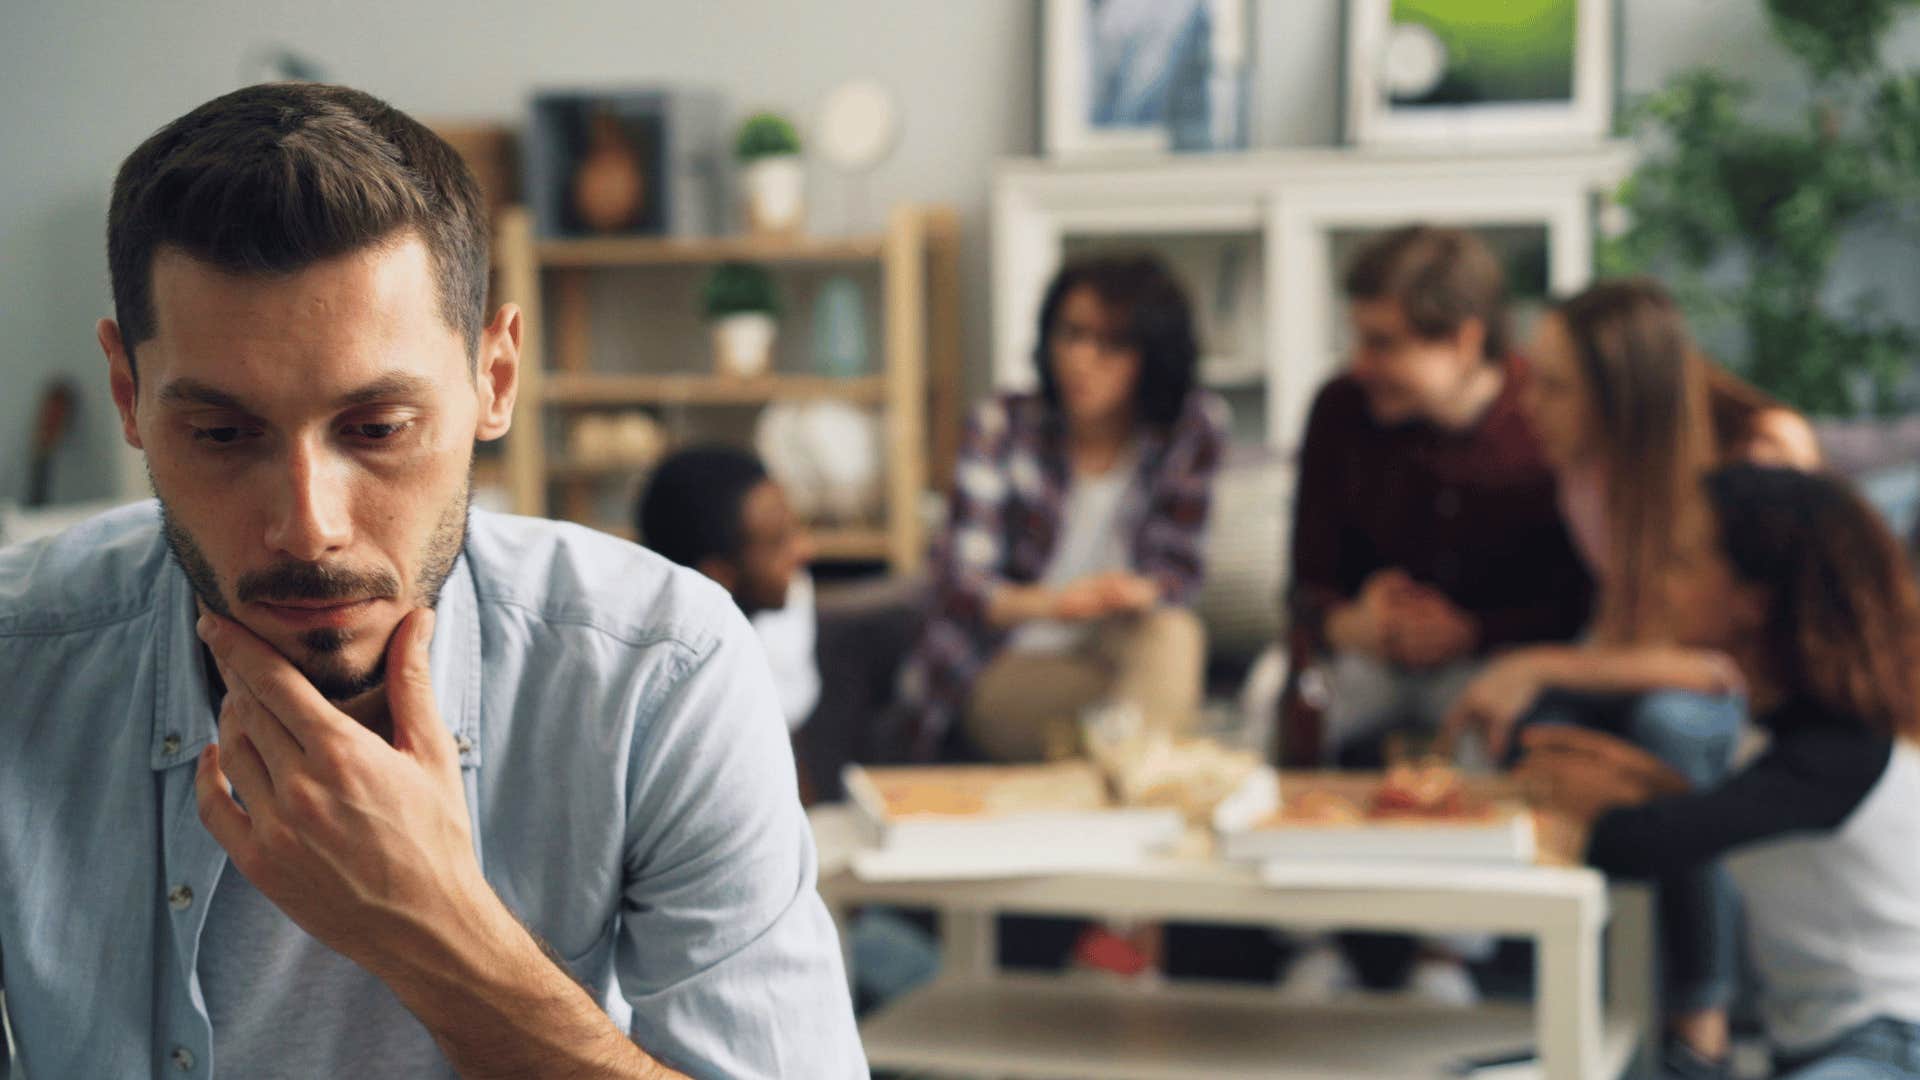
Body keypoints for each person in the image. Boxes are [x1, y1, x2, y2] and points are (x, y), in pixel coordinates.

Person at [0, 83, 863, 1079]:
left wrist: (439, 935)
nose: (308, 527)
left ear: (494, 379)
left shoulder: (663, 675)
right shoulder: (21, 665)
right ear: (127, 394)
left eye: (377, 430)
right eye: (223, 434)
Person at [1447, 278, 1815, 1075]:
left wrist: (1537, 660)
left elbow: (1724, 663)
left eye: (1552, 387)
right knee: (1527, 724)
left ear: (1620, 398)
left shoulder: (1749, 456)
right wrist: (1527, 681)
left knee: (1670, 728)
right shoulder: (1585, 469)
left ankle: (1700, 1030)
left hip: (1756, 691)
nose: (1526, 406)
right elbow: (1619, 629)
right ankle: (1553, 998)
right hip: (1661, 666)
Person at [1520, 464, 1920, 1080]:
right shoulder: (1774, 725)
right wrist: (1634, 780)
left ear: (1752, 601)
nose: (1663, 582)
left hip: (1893, 1042)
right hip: (1827, 1047)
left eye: (1684, 562)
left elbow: (1636, 843)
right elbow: (1723, 811)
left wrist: (1589, 799)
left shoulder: (1837, 752)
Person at [897, 253, 1227, 764]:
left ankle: (1117, 787)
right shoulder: (1002, 424)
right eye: (1070, 334)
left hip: (1123, 645)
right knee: (1149, 716)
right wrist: (1059, 603)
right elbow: (962, 585)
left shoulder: (1191, 428)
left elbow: (1179, 575)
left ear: (1154, 354)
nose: (1081, 359)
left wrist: (1135, 592)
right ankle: (1142, 801)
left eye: (1111, 343)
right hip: (1010, 656)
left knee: (1173, 636)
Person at [1286, 225, 1593, 769]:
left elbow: (1581, 604)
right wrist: (1350, 621)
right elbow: (1306, 585)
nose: (1360, 363)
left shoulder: (1545, 415)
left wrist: (1471, 632)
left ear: (1464, 341)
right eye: (1358, 338)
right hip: (1365, 659)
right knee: (1279, 712)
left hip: (1495, 662)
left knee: (1500, 739)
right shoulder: (1339, 408)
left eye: (1383, 343)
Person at [638, 445, 821, 730]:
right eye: (777, 542)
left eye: (796, 528)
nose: (804, 550)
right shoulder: (688, 707)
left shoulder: (779, 622)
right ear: (718, 574)